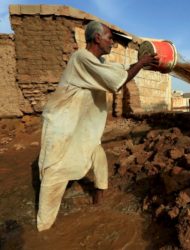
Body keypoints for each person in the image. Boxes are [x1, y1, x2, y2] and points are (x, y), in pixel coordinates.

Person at [36, 20, 159, 231]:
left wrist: (143, 63)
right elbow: (117, 83)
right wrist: (140, 64)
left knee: (97, 154)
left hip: (80, 126)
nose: (113, 43)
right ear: (97, 38)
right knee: (54, 171)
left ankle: (98, 200)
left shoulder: (98, 62)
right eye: (110, 38)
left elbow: (119, 72)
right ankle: (43, 227)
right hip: (62, 124)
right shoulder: (81, 58)